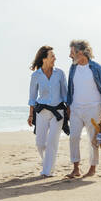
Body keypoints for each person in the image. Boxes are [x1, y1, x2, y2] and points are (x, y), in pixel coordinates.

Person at [66, 40, 101, 178]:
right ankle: (75, 168)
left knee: (93, 139)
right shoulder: (73, 68)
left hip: (93, 108)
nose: (70, 55)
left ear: (80, 53)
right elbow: (70, 88)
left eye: (72, 52)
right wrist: (68, 105)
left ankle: (92, 168)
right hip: (76, 109)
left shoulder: (97, 68)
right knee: (74, 137)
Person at [27, 46, 69, 177]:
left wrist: (69, 109)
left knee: (52, 142)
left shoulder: (60, 73)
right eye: (52, 55)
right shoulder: (36, 75)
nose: (55, 58)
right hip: (42, 112)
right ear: (44, 58)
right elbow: (32, 97)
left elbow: (65, 94)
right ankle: (48, 164)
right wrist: (30, 115)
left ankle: (47, 171)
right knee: (40, 143)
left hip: (58, 113)